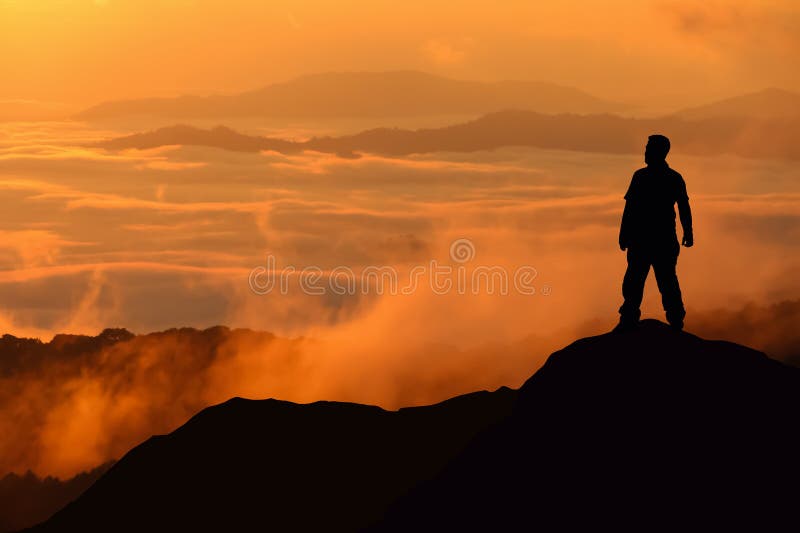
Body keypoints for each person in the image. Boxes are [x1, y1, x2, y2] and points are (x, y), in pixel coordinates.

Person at [617, 134, 693, 331]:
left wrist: (689, 232)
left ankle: (672, 318)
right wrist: (624, 234)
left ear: (659, 152)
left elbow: (684, 207)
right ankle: (633, 315)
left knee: (662, 280)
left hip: (653, 240)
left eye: (649, 149)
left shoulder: (648, 177)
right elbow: (630, 207)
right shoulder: (664, 177)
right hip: (655, 239)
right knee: (640, 279)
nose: (645, 152)